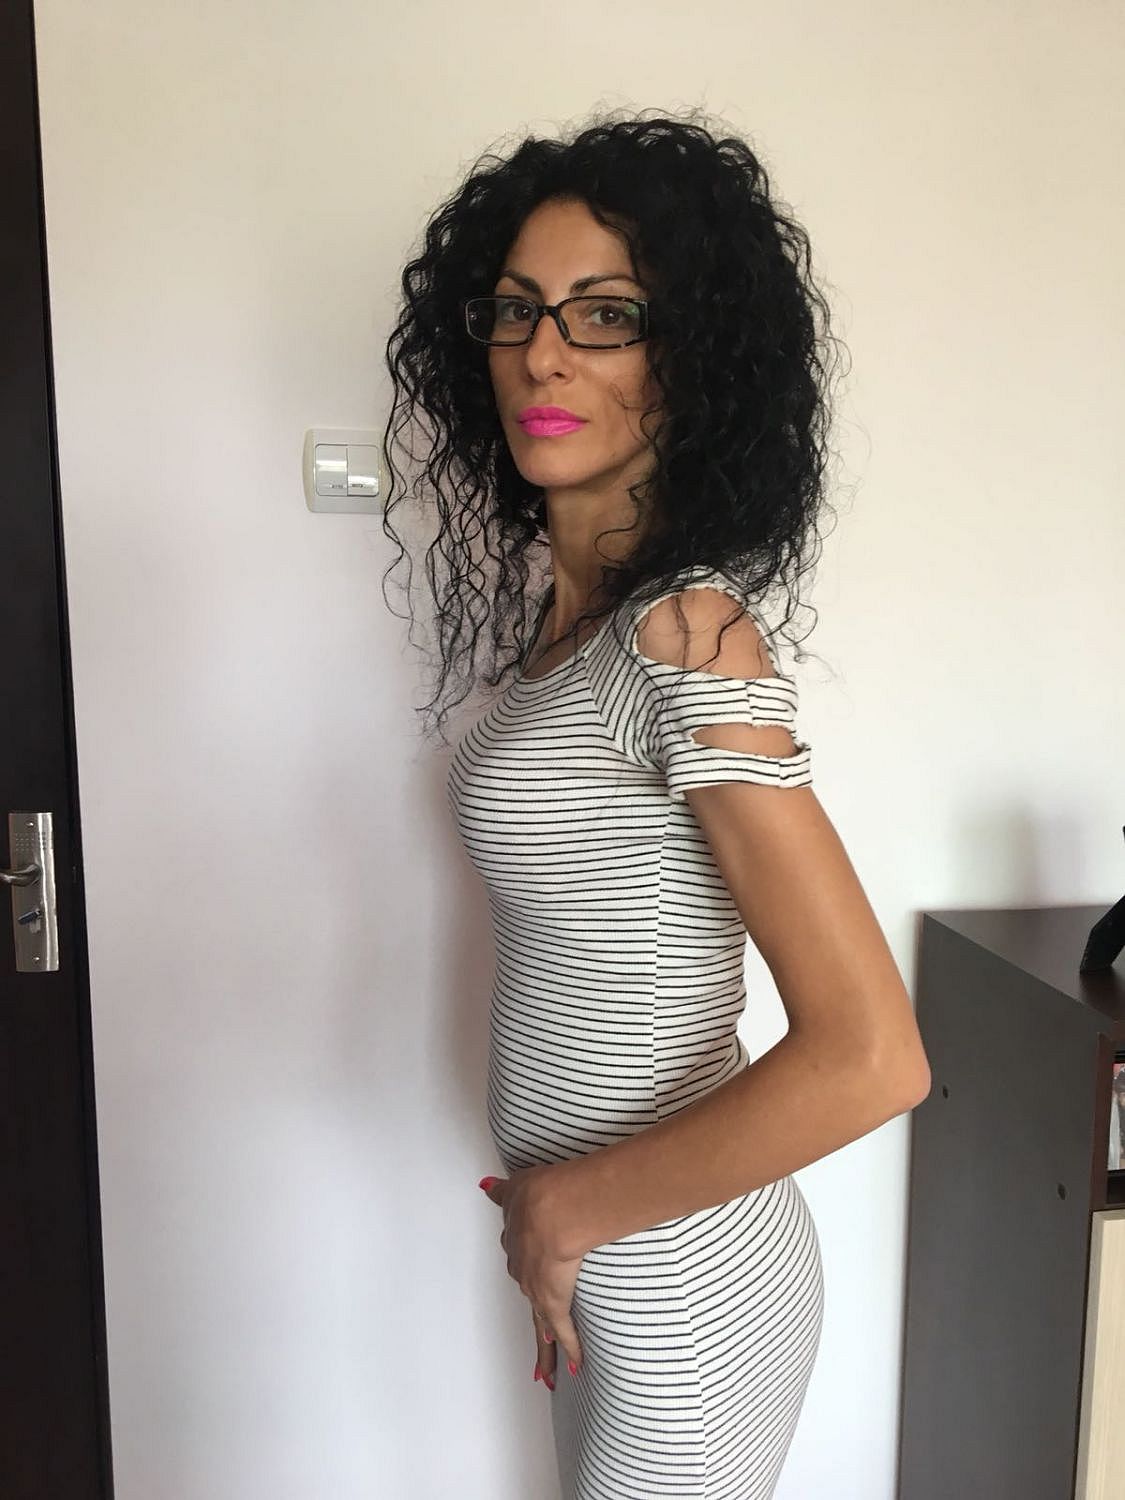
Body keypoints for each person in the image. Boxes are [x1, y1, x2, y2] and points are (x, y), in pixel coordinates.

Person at [381, 108, 931, 1500]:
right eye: (516, 310)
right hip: (602, 1266)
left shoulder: (688, 633)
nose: (542, 352)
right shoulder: (582, 632)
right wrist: (562, 1228)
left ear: (691, 361)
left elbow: (873, 1055)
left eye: (606, 315)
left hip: (687, 1286)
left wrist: (569, 1208)